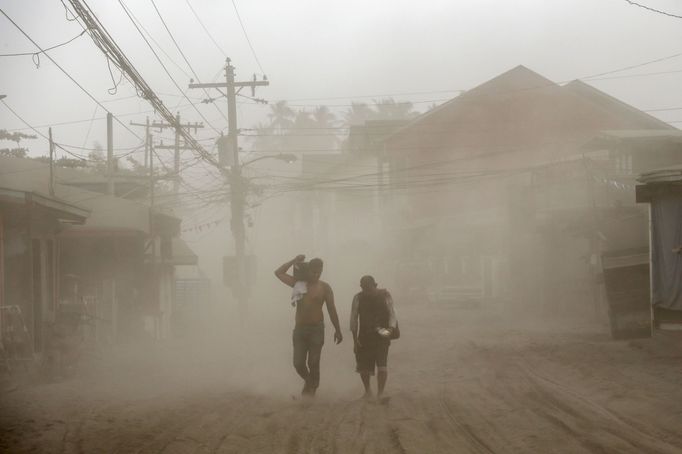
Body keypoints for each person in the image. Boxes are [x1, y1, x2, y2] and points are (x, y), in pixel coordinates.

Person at [275, 255, 343, 397]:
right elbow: (278, 273)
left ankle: (312, 390)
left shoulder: (324, 287)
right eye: (314, 272)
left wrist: (338, 329)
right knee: (298, 363)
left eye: (320, 272)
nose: (317, 275)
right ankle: (309, 381)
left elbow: (331, 309)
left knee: (314, 361)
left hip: (316, 329)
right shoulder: (299, 284)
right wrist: (293, 260)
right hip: (300, 329)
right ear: (308, 270)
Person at [350, 275, 397, 400]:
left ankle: (380, 393)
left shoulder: (385, 295)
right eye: (364, 289)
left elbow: (392, 313)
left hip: (382, 335)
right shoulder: (358, 298)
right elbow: (353, 320)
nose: (367, 292)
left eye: (369, 288)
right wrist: (355, 341)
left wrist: (390, 330)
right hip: (364, 336)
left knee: (382, 364)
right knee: (363, 368)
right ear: (361, 288)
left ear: (375, 285)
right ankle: (368, 392)